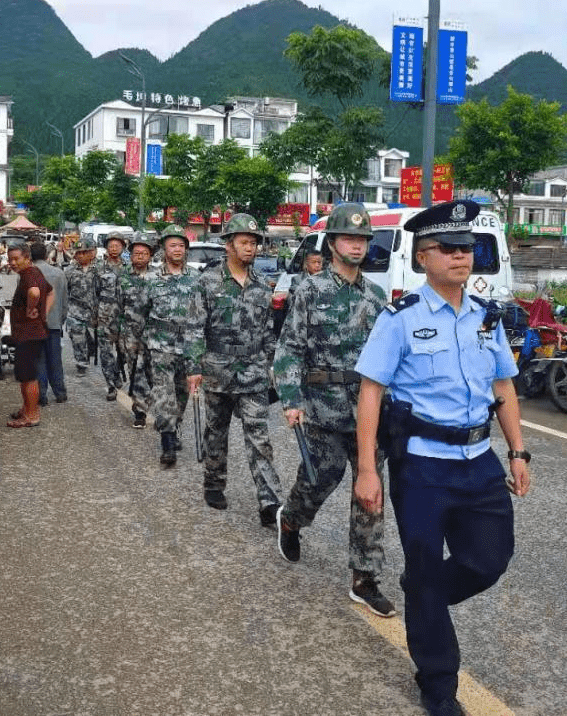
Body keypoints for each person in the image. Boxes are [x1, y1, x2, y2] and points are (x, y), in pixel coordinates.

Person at [353, 199, 532, 716]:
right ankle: (438, 684)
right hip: (422, 465)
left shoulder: (485, 318)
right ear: (424, 256)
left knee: (488, 560)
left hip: (479, 461)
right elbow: (370, 392)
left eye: (469, 247)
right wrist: (368, 470)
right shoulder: (400, 319)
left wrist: (517, 452)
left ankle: (422, 596)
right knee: (429, 571)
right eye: (449, 248)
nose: (462, 256)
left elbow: (504, 385)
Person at [272, 203, 395, 618]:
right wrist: (291, 399)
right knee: (318, 482)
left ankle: (365, 577)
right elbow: (289, 348)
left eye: (362, 240)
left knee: (370, 491)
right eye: (349, 239)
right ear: (332, 243)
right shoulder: (309, 290)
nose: (356, 246)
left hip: (367, 411)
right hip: (322, 411)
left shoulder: (377, 297)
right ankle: (291, 519)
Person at [197, 214, 283, 526]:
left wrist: (272, 365)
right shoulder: (208, 282)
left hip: (253, 372)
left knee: (259, 437)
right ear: (229, 245)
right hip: (217, 369)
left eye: (254, 243)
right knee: (216, 431)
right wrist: (195, 367)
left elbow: (269, 332)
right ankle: (214, 483)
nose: (250, 248)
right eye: (244, 242)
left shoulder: (262, 285)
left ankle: (269, 501)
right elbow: (195, 328)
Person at [140, 224, 205, 467]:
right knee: (164, 394)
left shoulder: (197, 279)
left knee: (180, 395)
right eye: (172, 246)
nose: (177, 249)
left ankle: (174, 427)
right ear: (163, 250)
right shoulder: (151, 279)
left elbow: (203, 316)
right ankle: (167, 443)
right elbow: (142, 312)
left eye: (181, 245)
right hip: (161, 346)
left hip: (188, 347)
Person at [5, 241, 52, 428]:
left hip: (28, 334)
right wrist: (43, 314)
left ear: (27, 257)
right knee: (26, 374)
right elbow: (50, 292)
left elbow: (35, 292)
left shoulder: (29, 275)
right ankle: (27, 409)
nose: (13, 263)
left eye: (16, 259)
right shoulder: (34, 272)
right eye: (10, 260)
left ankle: (31, 415)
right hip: (32, 332)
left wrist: (32, 308)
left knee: (28, 376)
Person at [119, 233, 155, 429]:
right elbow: (117, 306)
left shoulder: (158, 277)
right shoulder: (123, 278)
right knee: (136, 371)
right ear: (130, 255)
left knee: (154, 373)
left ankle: (159, 407)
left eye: (144, 253)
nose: (140, 256)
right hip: (131, 334)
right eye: (136, 253)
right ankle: (140, 411)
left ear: (150, 256)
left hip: (156, 335)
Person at [31, 241, 68, 405]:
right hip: (53, 324)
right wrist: (60, 319)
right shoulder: (59, 274)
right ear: (46, 255)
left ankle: (41, 395)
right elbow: (65, 301)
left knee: (39, 360)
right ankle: (60, 392)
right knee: (55, 359)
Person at [94, 232, 128, 401]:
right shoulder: (99, 268)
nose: (114, 248)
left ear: (123, 247)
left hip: (125, 318)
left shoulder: (129, 268)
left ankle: (118, 374)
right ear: (106, 247)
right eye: (111, 245)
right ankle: (111, 385)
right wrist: (94, 316)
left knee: (125, 352)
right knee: (106, 353)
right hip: (105, 317)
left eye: (117, 245)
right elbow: (94, 293)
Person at [64, 240, 99, 374]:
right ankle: (81, 363)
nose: (81, 256)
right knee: (77, 338)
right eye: (78, 253)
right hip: (75, 310)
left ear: (90, 253)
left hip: (94, 310)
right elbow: (65, 291)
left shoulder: (99, 270)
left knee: (93, 339)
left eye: (84, 252)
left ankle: (91, 352)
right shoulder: (69, 271)